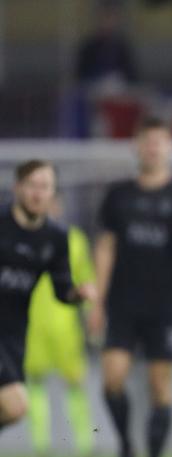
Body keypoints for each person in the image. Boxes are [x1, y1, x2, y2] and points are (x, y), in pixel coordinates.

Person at [88, 117, 172, 457]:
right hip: (123, 303)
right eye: (146, 142)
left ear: (169, 147)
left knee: (160, 385)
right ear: (136, 147)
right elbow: (106, 248)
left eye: (159, 142)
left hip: (167, 306)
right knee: (112, 378)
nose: (152, 148)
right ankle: (126, 448)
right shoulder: (118, 195)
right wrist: (97, 301)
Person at [0, 161, 94, 436]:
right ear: (17, 188)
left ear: (52, 192)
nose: (37, 193)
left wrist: (77, 295)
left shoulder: (56, 237)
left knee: (14, 410)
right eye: (32, 185)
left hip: (14, 333)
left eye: (44, 187)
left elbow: (61, 288)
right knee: (17, 402)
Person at [24, 194, 96, 456]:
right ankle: (40, 444)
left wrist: (91, 314)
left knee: (76, 381)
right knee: (35, 382)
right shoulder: (22, 236)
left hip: (65, 322)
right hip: (32, 320)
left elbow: (86, 277)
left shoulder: (74, 239)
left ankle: (85, 444)